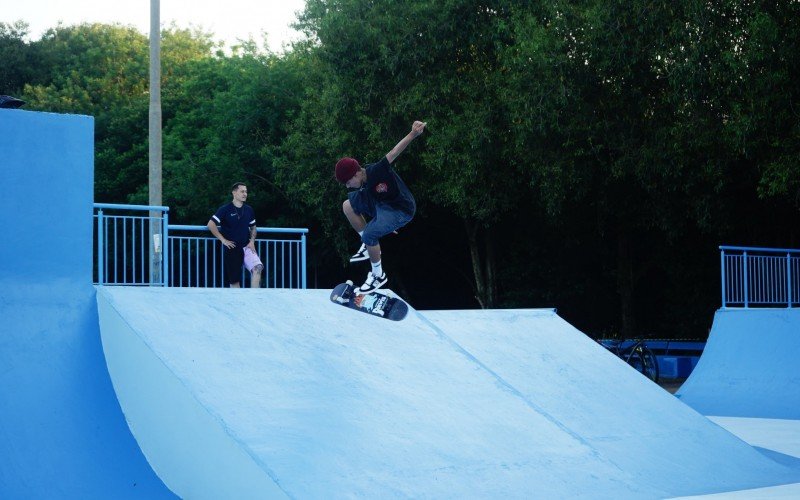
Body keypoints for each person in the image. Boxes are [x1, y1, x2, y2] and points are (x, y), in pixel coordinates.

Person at [335, 120, 427, 294]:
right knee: (348, 205)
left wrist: (413, 133)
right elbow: (373, 203)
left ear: (356, 174)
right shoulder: (363, 183)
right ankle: (367, 245)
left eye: (348, 182)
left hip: (402, 210)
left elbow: (394, 152)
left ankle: (378, 275)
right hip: (383, 207)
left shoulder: (377, 170)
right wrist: (382, 225)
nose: (347, 186)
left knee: (370, 233)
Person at [207, 182, 263, 288]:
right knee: (234, 281)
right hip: (232, 248)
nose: (245, 194)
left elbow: (253, 227)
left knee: (258, 268)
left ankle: (254, 299)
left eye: (246, 191)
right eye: (242, 191)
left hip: (247, 246)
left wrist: (252, 242)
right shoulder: (225, 209)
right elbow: (211, 224)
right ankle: (239, 303)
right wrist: (223, 240)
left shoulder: (249, 209)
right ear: (234, 193)